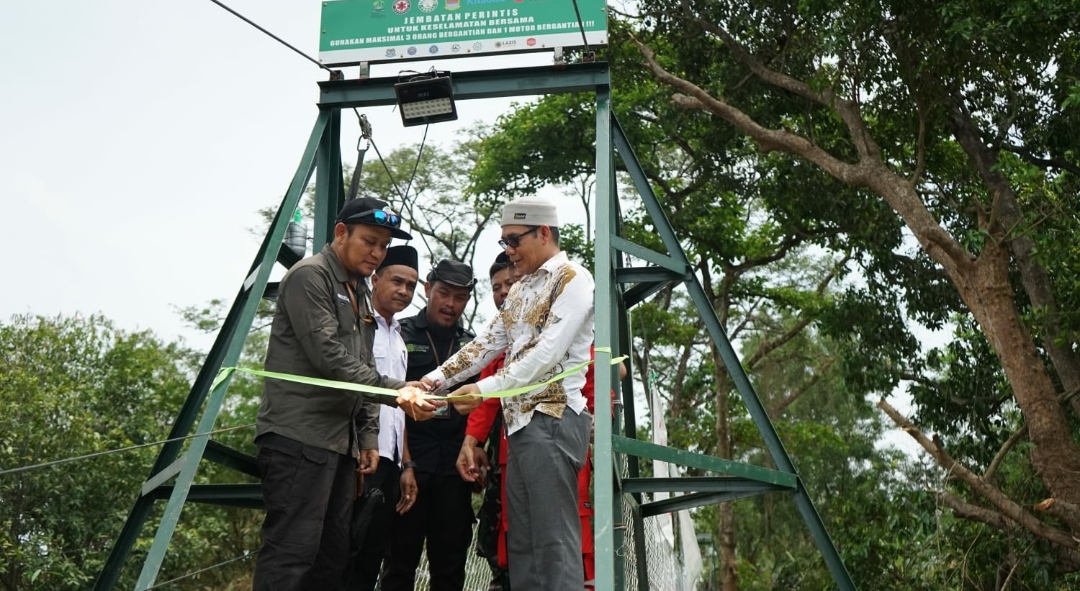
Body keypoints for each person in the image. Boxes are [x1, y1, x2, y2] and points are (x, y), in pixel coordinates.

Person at [253, 197, 439, 591]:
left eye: (384, 246)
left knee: (333, 556)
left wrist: (367, 436)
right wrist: (399, 392)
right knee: (292, 553)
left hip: (340, 445)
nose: (377, 253)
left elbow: (362, 366)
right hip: (298, 438)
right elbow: (331, 359)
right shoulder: (310, 276)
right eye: (370, 241)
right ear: (341, 233)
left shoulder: (357, 289)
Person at [422, 195, 595, 591]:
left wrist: (481, 390)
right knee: (523, 546)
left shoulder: (573, 279)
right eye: (504, 242)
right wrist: (432, 382)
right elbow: (484, 345)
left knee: (553, 543)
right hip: (519, 428)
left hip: (553, 418)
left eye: (515, 240)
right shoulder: (520, 290)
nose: (509, 251)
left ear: (545, 233)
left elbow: (545, 355)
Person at [381, 259, 478, 591]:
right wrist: (405, 462)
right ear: (428, 290)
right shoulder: (401, 334)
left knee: (450, 568)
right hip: (412, 468)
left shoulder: (473, 345)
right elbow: (390, 407)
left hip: (454, 470)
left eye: (460, 298)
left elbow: (484, 408)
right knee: (399, 564)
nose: (451, 304)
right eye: (444, 293)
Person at [344, 245, 421, 591]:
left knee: (373, 554)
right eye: (397, 281)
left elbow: (399, 409)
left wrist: (407, 466)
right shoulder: (358, 326)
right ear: (375, 279)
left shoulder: (399, 339)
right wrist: (361, 446)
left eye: (411, 286)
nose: (403, 291)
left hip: (391, 462)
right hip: (362, 455)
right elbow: (354, 392)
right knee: (345, 550)